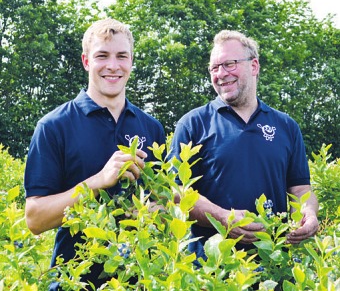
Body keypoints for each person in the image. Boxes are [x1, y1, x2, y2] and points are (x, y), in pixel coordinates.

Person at [24, 18, 166, 289]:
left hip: (139, 281)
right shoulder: (54, 126)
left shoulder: (151, 128)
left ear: (131, 62)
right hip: (74, 283)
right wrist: (97, 181)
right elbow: (35, 219)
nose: (113, 66)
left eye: (122, 56)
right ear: (86, 61)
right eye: (102, 55)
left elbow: (163, 207)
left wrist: (152, 213)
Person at [170, 30, 319, 262]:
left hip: (274, 264)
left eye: (229, 64)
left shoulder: (286, 126)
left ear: (254, 66)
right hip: (211, 271)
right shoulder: (193, 124)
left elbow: (300, 189)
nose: (221, 74)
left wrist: (307, 214)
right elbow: (178, 193)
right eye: (214, 68)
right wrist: (222, 217)